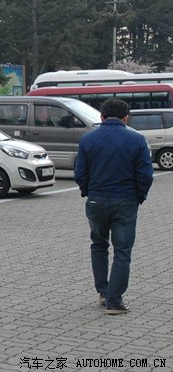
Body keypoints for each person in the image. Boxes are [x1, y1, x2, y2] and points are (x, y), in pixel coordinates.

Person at [74, 98, 154, 315]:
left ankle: (103, 292)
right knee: (122, 251)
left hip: (95, 201)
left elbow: (80, 173)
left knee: (98, 245)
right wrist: (139, 196)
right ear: (126, 117)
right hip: (125, 201)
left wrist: (87, 191)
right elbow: (145, 175)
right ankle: (114, 300)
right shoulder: (137, 140)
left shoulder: (87, 139)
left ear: (101, 116)